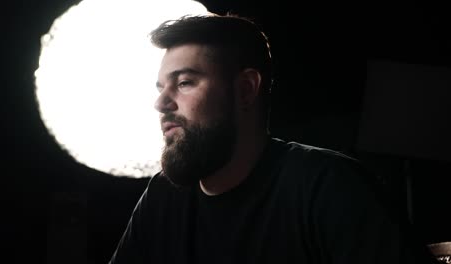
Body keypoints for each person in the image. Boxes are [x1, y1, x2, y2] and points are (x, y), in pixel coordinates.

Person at [109, 13, 438, 264]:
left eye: (184, 83)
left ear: (245, 89)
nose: (161, 103)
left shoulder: (330, 186)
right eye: (160, 87)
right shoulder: (162, 197)